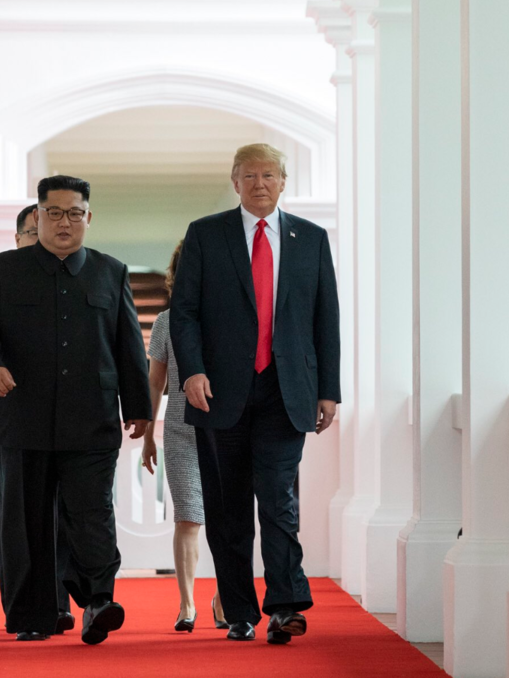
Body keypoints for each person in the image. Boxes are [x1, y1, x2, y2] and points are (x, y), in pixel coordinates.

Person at [0, 175, 152, 644]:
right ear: (38, 217)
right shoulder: (4, 269)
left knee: (92, 515)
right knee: (25, 522)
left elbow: (129, 345)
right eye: (54, 212)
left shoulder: (112, 272)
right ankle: (33, 615)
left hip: (91, 420)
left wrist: (139, 407)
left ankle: (98, 601)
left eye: (74, 213)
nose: (65, 222)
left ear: (88, 217)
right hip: (21, 419)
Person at [170, 143, 340, 644]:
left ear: (283, 181)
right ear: (235, 181)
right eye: (250, 175)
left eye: (269, 174)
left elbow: (325, 318)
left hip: (287, 392)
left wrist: (328, 389)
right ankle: (240, 610)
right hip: (219, 394)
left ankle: (285, 605)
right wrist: (192, 371)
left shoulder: (310, 239)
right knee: (227, 510)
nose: (260, 182)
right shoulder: (206, 235)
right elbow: (184, 313)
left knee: (279, 501)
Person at [0, 203, 76, 635]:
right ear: (19, 239)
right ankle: (32, 609)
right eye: (34, 234)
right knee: (20, 521)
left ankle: (59, 601)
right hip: (10, 422)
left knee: (64, 516)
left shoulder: (71, 285)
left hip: (65, 426)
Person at [142, 240, 227, 633]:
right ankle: (187, 604)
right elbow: (156, 380)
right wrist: (147, 433)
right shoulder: (165, 322)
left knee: (230, 519)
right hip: (180, 431)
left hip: (228, 431)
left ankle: (226, 598)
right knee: (188, 518)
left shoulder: (234, 322)